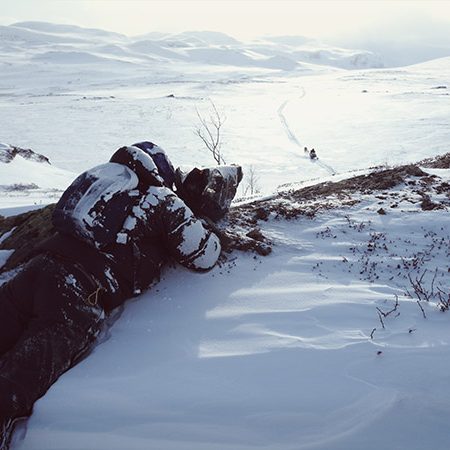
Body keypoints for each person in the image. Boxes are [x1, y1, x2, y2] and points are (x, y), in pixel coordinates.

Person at [0, 142, 242, 448]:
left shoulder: (100, 183)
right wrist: (203, 217)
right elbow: (204, 255)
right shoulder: (159, 198)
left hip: (39, 268)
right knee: (26, 371)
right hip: (78, 287)